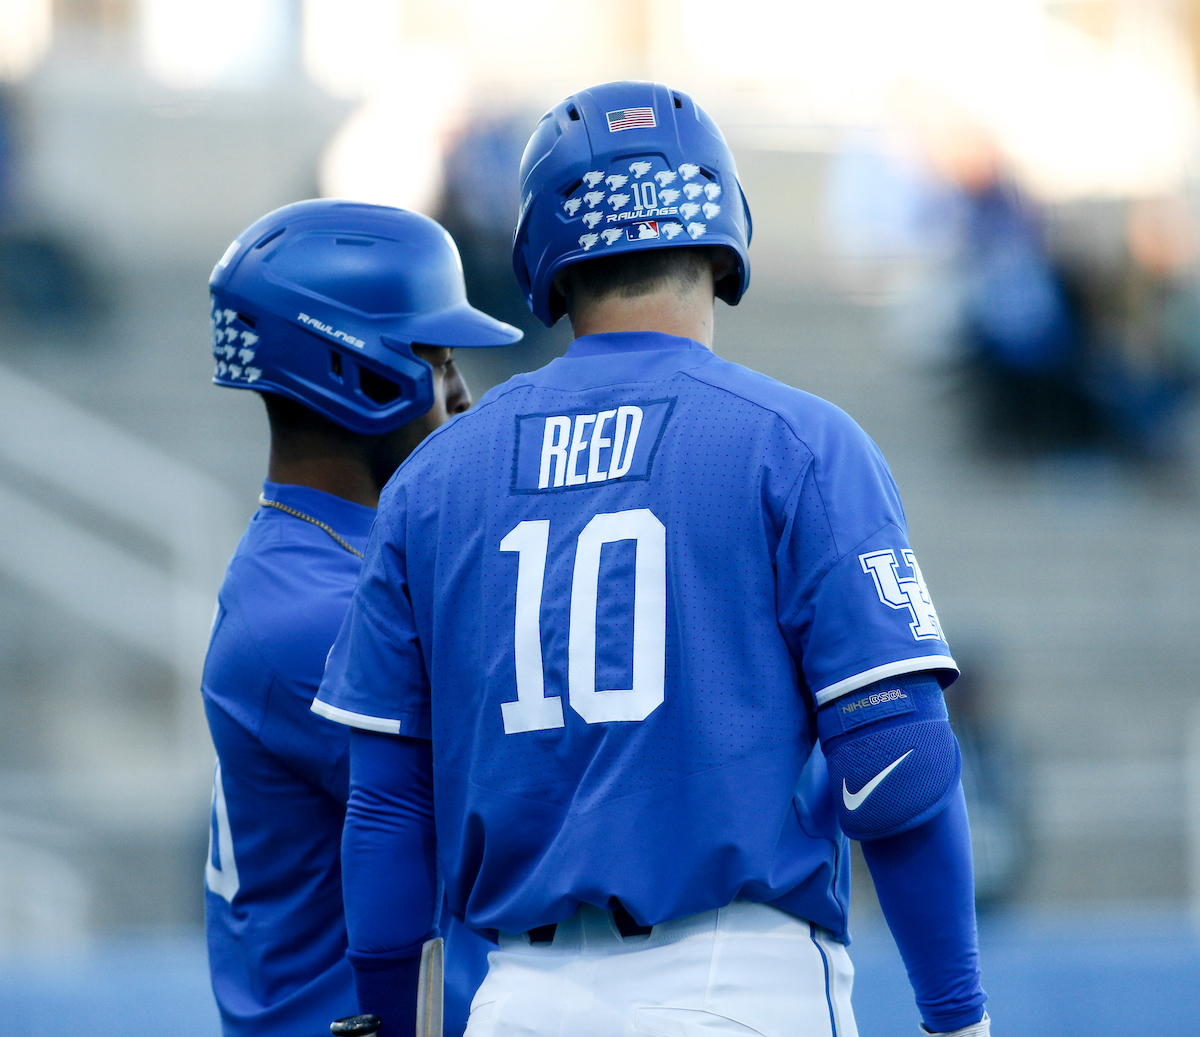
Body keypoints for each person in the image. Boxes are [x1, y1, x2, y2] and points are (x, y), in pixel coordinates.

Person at [315, 84, 990, 1037]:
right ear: (723, 230)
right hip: (738, 980)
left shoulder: (432, 477)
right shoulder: (798, 442)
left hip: (520, 997)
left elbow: (385, 812)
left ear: (544, 253)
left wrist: (388, 1020)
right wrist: (957, 1016)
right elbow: (897, 764)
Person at [201, 198, 522, 1037]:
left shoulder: (334, 559)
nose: (462, 398)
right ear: (360, 372)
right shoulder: (307, 611)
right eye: (442, 364)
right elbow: (525, 805)